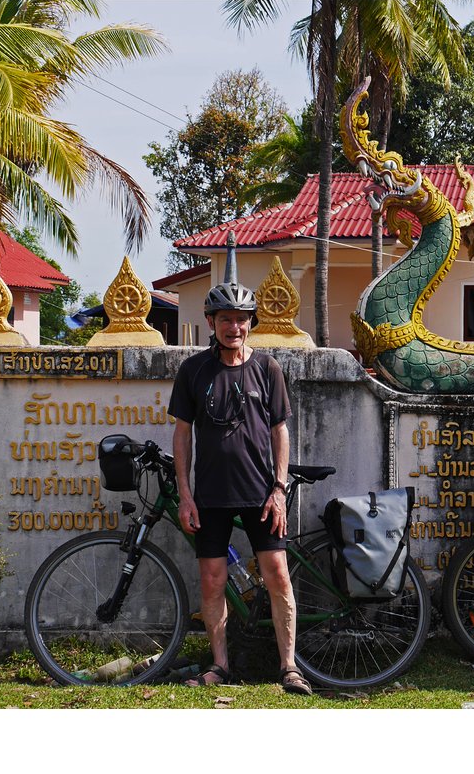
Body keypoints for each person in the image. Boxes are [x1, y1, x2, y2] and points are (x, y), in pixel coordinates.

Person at [167, 280, 312, 695]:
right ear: (211, 322)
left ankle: (289, 667)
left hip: (261, 494)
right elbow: (182, 434)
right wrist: (186, 493)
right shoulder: (193, 370)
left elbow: (280, 431)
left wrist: (279, 488)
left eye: (242, 319)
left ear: (251, 323)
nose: (234, 326)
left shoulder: (267, 369)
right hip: (209, 494)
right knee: (212, 580)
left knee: (279, 577)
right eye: (226, 319)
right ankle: (220, 664)